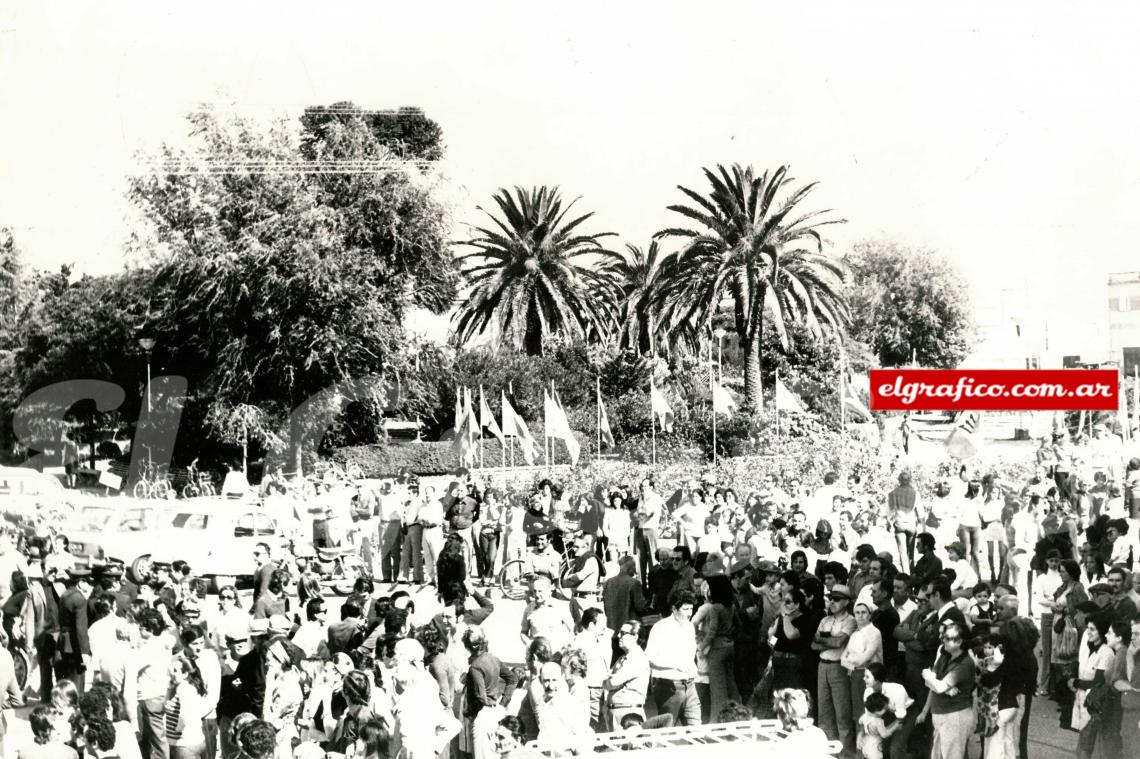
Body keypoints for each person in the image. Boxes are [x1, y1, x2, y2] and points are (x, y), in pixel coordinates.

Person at [644, 588, 700, 726]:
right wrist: (675, 665)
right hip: (669, 685)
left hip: (690, 685)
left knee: (696, 730)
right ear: (674, 609)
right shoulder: (660, 627)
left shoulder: (689, 627)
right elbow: (650, 657)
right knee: (666, 732)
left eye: (691, 609)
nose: (689, 614)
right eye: (685, 609)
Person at [462, 626, 517, 759]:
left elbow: (480, 696)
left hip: (482, 714)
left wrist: (469, 713)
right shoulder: (494, 659)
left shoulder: (475, 667)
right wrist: (503, 702)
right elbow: (512, 678)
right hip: (495, 712)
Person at [813, 583, 856, 755]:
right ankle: (827, 753)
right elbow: (813, 645)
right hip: (822, 666)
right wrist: (830, 640)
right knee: (824, 711)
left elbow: (839, 643)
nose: (832, 602)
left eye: (837, 599)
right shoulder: (825, 619)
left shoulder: (851, 620)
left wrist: (824, 640)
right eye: (831, 598)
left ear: (846, 602)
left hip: (839, 667)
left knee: (842, 712)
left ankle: (844, 753)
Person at [604, 620, 650, 731]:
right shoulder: (622, 658)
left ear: (635, 637)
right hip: (616, 713)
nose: (618, 636)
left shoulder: (637, 658)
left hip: (629, 715)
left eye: (623, 633)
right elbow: (607, 683)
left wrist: (610, 680)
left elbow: (611, 682)